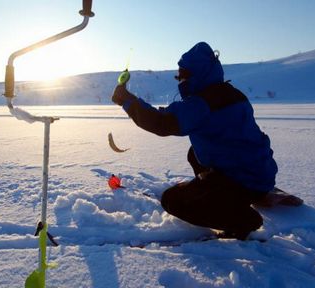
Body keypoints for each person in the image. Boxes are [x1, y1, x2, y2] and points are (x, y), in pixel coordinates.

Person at [111, 42, 278, 240]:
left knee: (171, 200)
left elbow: (162, 123)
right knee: (195, 153)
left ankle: (242, 219)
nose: (179, 80)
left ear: (195, 75)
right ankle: (226, 191)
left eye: (182, 75)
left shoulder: (203, 103)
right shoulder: (230, 93)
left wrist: (127, 100)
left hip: (244, 179)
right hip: (259, 170)